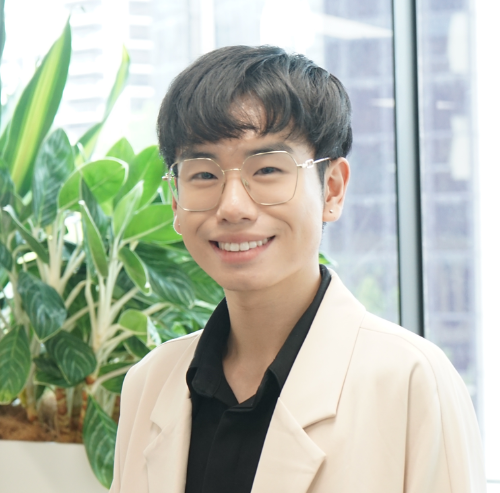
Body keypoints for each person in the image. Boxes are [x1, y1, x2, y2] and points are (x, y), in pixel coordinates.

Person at [109, 45, 486, 493]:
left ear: (332, 189)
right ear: (175, 200)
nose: (232, 206)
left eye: (268, 169)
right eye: (204, 174)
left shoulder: (411, 380)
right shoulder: (149, 382)